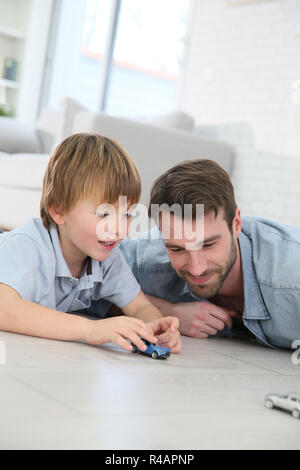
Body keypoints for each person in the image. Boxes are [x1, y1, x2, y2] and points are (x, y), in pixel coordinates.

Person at [0, 134, 181, 354]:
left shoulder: (108, 258)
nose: (118, 229)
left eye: (127, 215)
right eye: (104, 213)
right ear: (58, 210)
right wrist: (89, 329)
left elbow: (139, 306)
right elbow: (4, 308)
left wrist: (153, 327)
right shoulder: (27, 246)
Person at [118, 159, 300, 349]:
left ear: (236, 224)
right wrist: (167, 312)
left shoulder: (292, 282)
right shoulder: (150, 257)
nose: (197, 269)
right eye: (177, 249)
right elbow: (93, 288)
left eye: (207, 245)